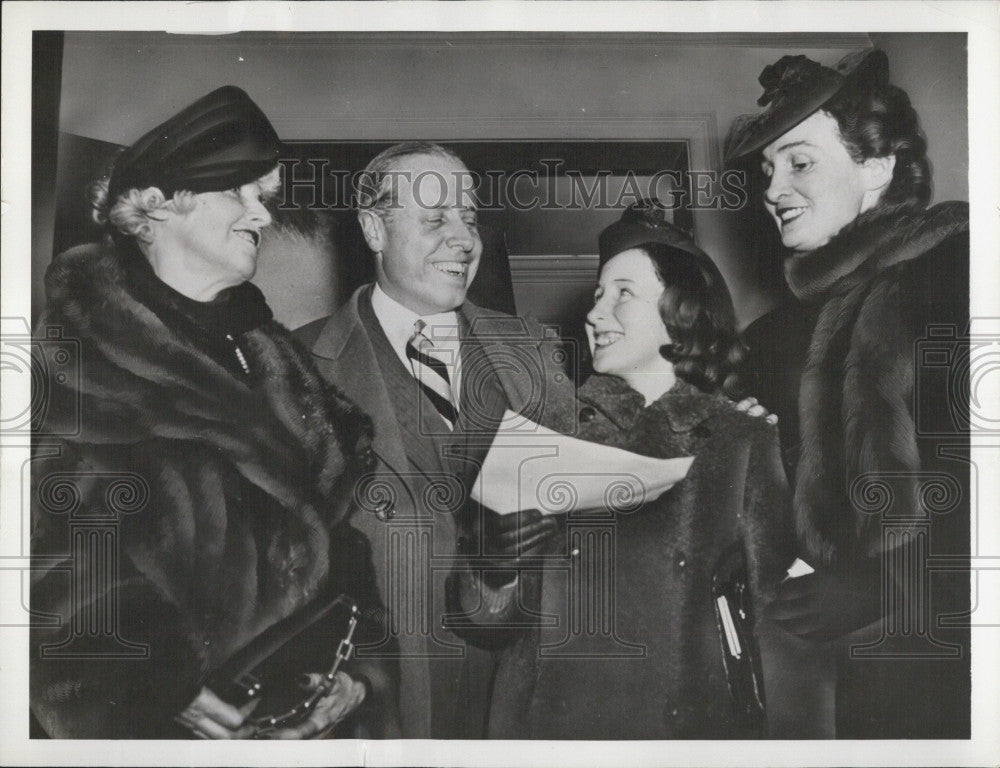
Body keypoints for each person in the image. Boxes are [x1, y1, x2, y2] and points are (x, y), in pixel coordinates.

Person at [30, 86, 395, 739]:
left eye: (264, 196)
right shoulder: (80, 361)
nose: (261, 216)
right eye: (241, 194)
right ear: (161, 205)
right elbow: (54, 571)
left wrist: (359, 674)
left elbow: (334, 542)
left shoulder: (277, 361)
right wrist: (163, 685)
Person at [727, 49, 970, 737]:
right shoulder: (776, 335)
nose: (773, 189)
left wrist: (888, 584)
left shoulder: (962, 274)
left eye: (799, 162)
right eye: (768, 170)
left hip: (953, 672)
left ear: (878, 165)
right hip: (831, 683)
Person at [295, 142, 574, 738]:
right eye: (435, 219)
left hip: (521, 703)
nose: (464, 238)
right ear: (373, 228)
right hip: (383, 706)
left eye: (469, 217)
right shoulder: (297, 366)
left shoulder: (536, 351)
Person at [522, 201, 798, 739]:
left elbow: (777, 622)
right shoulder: (544, 437)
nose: (595, 313)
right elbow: (489, 620)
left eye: (623, 293)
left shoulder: (740, 440)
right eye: (598, 295)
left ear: (682, 309)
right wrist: (495, 569)